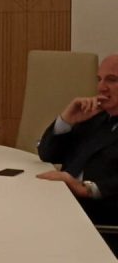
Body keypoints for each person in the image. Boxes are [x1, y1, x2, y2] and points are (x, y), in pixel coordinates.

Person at [36, 53, 118, 230]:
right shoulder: (96, 116)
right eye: (99, 79)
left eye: (112, 80)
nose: (101, 87)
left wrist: (85, 189)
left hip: (98, 221)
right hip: (59, 201)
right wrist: (66, 120)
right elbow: (47, 154)